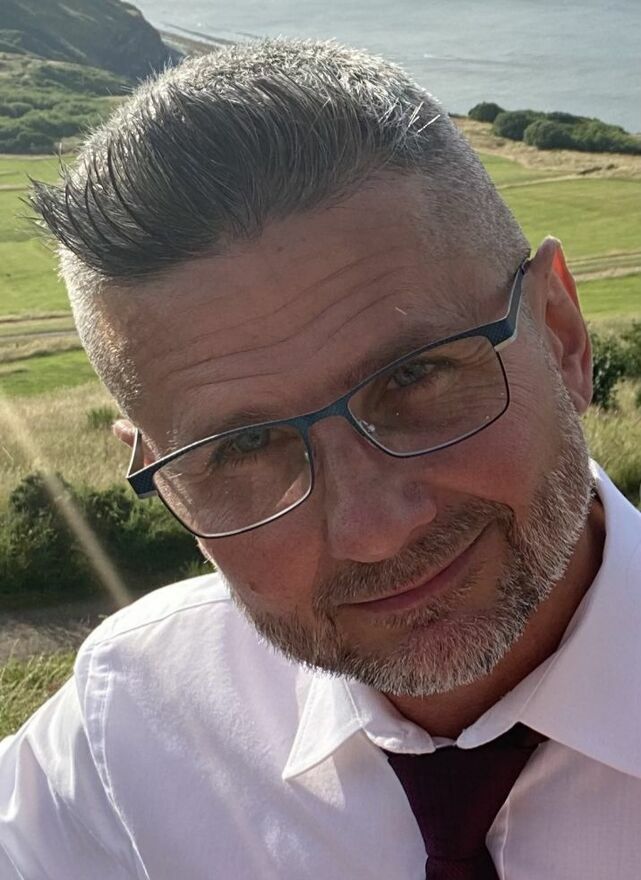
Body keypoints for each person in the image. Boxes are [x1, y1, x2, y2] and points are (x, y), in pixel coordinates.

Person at [1, 38, 640, 880]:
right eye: (243, 446)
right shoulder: (128, 722)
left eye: (413, 377)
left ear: (560, 334)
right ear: (169, 485)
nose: (373, 531)